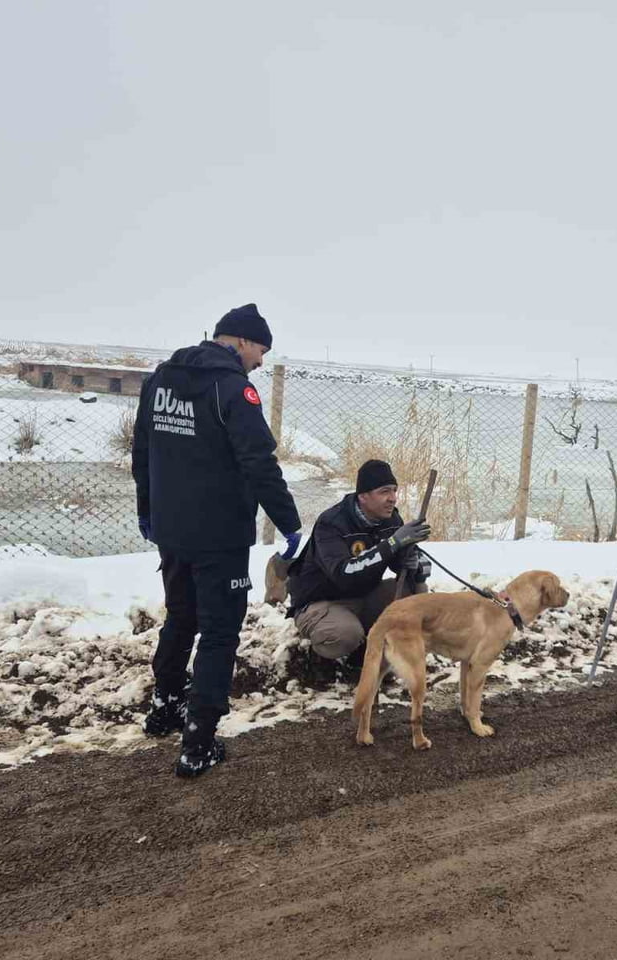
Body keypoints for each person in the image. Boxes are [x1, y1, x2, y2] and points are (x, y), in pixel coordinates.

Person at [131, 303, 301, 778]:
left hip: (171, 529)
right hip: (219, 535)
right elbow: (259, 463)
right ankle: (198, 743)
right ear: (241, 342)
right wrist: (289, 523)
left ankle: (164, 708)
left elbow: (142, 451)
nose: (261, 362)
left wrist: (148, 511)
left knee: (180, 617)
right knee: (220, 632)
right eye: (261, 351)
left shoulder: (161, 379)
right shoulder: (233, 389)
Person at [287, 459, 432, 674]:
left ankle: (367, 653)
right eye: (384, 492)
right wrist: (392, 543)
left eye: (394, 490)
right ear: (363, 496)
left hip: (364, 595)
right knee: (344, 635)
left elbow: (396, 562)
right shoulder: (332, 523)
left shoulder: (391, 519)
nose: (392, 498)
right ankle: (325, 658)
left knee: (414, 597)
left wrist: (413, 563)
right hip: (322, 602)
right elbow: (344, 573)